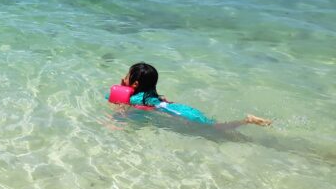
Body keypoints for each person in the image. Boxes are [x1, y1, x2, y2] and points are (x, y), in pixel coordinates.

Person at [110, 62, 271, 128]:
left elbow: (123, 113)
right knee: (216, 128)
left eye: (126, 76)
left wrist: (114, 117)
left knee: (216, 129)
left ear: (135, 84)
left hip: (179, 115)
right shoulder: (152, 94)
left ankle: (247, 120)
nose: (123, 78)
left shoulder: (135, 98)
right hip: (182, 109)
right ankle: (246, 122)